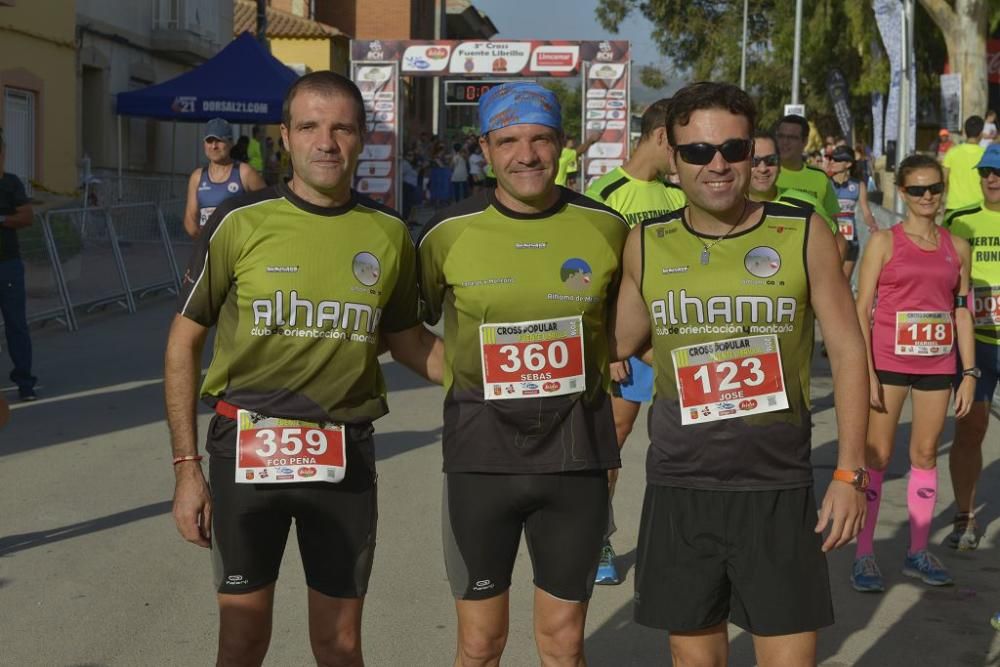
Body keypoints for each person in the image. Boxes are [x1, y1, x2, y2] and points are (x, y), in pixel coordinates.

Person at [165, 71, 441, 666]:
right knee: (241, 641)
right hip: (245, 448)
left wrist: (490, 371)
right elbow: (183, 343)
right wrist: (187, 468)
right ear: (284, 137)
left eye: (342, 127)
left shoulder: (389, 232)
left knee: (339, 646)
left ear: (363, 137)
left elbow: (411, 343)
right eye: (310, 127)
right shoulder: (239, 219)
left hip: (343, 456)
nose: (326, 142)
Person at [612, 82, 869, 665]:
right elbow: (619, 341)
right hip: (682, 485)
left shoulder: (803, 232)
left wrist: (851, 472)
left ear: (753, 153)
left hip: (776, 486)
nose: (718, 164)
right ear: (672, 159)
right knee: (694, 659)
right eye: (699, 152)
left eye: (733, 148)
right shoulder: (645, 244)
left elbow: (851, 352)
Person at [418, 82, 628, 667]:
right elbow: (404, 328)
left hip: (576, 460)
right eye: (509, 140)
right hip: (481, 461)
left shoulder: (607, 228)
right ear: (486, 149)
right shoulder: (445, 232)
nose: (526, 154)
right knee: (480, 644)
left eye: (540, 139)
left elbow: (631, 329)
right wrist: (454, 372)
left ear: (562, 145)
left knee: (563, 643)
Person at [850, 154, 975, 593]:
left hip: (937, 366)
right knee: (878, 459)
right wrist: (865, 370)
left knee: (924, 456)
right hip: (887, 364)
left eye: (934, 189)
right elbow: (861, 309)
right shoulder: (885, 242)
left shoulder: (957, 247)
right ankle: (864, 554)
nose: (928, 197)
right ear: (901, 193)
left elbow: (961, 312)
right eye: (918, 190)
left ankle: (917, 551)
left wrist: (970, 371)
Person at [583, 97, 686, 586]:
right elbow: (588, 279)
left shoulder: (679, 194)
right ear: (663, 137)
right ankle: (599, 538)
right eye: (684, 145)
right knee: (612, 443)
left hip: (674, 346)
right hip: (624, 351)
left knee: (679, 445)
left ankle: (678, 540)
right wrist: (607, 347)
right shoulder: (605, 193)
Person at [942, 142, 1000, 550]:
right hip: (975, 343)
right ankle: (965, 518)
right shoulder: (960, 221)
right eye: (985, 172)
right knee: (970, 428)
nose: (991, 179)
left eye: (998, 172)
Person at [748, 132, 847, 260]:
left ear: (779, 164)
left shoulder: (806, 203)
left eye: (771, 160)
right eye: (754, 161)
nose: (762, 168)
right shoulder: (726, 206)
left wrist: (823, 278)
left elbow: (840, 244)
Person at [0, 127, 37, 401]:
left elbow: (26, 217)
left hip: (7, 265)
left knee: (15, 324)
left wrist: (1, 220)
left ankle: (25, 383)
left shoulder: (10, 183)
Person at [183, 118, 265, 239]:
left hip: (238, 252)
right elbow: (190, 219)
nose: (214, 146)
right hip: (209, 249)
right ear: (204, 144)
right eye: (209, 141)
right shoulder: (197, 176)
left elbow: (268, 209)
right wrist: (205, 244)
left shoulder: (245, 173)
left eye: (219, 140)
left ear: (231, 143)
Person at [775, 114, 841, 221]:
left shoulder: (820, 177)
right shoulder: (764, 173)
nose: (785, 142)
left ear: (804, 141)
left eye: (792, 137)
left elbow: (832, 224)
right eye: (781, 136)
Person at [829, 145, 878, 282]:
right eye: (832, 159)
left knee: (844, 282)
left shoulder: (858, 185)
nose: (832, 162)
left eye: (837, 160)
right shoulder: (826, 183)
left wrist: (873, 225)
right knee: (831, 280)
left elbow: (866, 211)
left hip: (850, 239)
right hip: (830, 238)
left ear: (848, 164)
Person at [943, 115, 985, 217]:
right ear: (981, 134)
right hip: (978, 208)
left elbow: (944, 180)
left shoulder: (951, 153)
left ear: (965, 132)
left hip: (954, 208)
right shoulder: (986, 155)